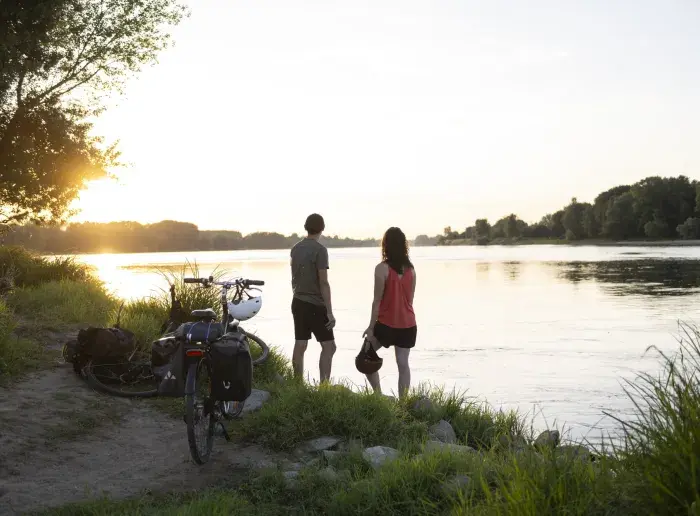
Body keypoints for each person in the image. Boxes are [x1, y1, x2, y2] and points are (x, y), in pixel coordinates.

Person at [363, 227, 417, 397]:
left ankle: (378, 396)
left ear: (385, 245)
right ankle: (403, 405)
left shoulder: (381, 269)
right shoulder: (412, 270)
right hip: (408, 324)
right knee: (403, 364)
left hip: (386, 324)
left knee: (366, 357)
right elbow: (410, 300)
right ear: (403, 245)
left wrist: (371, 327)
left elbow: (377, 301)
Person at [290, 213, 336, 382]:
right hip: (315, 304)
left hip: (297, 301)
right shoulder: (320, 250)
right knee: (329, 346)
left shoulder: (295, 249)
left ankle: (297, 383)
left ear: (306, 227)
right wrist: (329, 312)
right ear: (322, 228)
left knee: (300, 344)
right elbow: (323, 282)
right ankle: (324, 386)